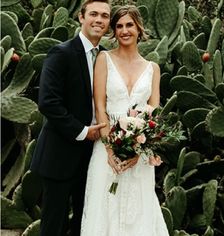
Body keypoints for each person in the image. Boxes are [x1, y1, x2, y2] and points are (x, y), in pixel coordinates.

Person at [81, 5, 170, 236]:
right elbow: (99, 106)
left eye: (129, 25)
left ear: (139, 28)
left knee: (138, 212)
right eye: (119, 26)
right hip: (106, 147)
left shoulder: (153, 68)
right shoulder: (104, 59)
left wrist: (139, 151)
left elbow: (153, 113)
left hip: (139, 153)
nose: (124, 30)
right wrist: (110, 150)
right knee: (104, 208)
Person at [30, 0, 111, 235]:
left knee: (84, 223)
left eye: (104, 16)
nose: (99, 19)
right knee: (54, 225)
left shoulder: (106, 57)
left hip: (93, 157)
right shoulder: (61, 52)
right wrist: (83, 131)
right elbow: (48, 101)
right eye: (93, 14)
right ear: (81, 17)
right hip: (60, 154)